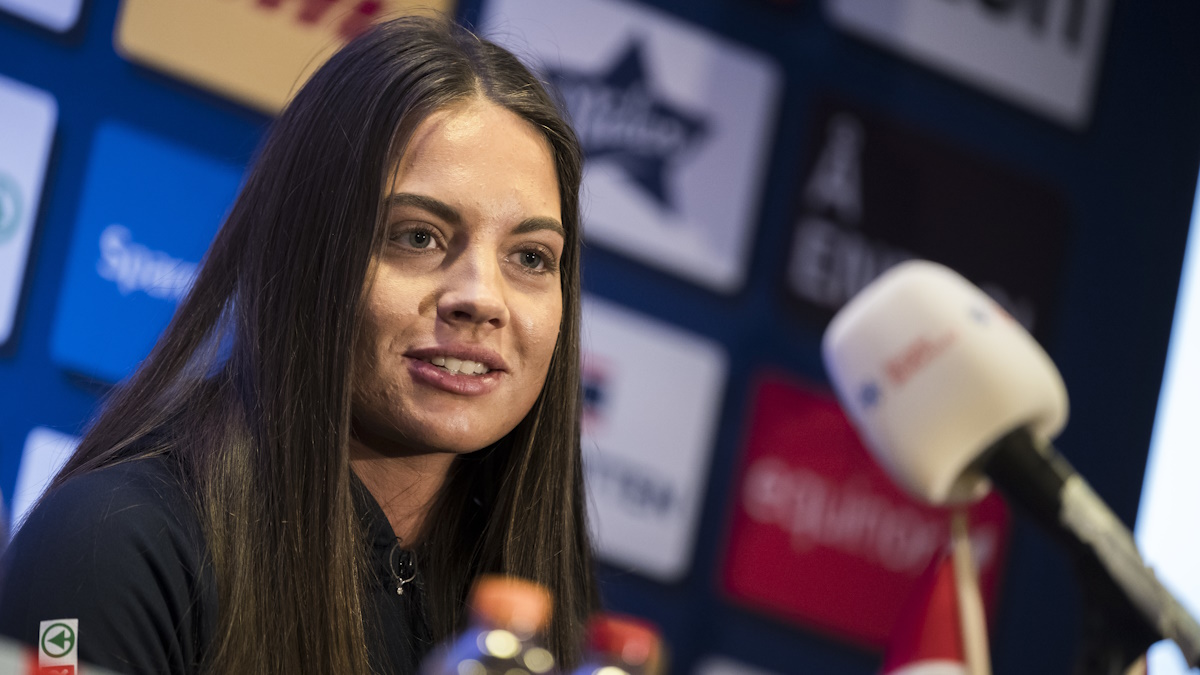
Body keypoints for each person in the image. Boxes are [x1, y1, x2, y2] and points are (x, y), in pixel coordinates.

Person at [0, 14, 597, 675]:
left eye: (531, 257)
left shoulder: (533, 623)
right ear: (304, 254)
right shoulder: (110, 547)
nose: (482, 299)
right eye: (418, 237)